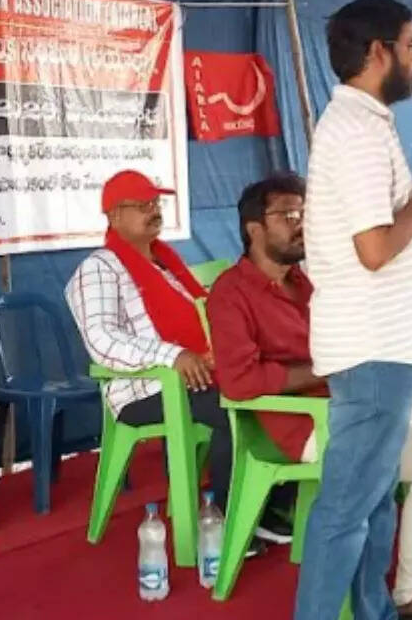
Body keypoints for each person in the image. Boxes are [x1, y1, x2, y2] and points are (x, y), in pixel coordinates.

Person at [211, 175, 412, 620]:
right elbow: (239, 382)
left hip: (373, 391)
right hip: (312, 419)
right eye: (289, 215)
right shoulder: (230, 293)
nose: (302, 224)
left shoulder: (312, 278)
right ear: (253, 228)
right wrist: (332, 366)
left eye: (306, 214)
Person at [296, 0, 412, 620]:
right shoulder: (356, 131)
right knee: (347, 508)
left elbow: (390, 233)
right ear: (378, 52)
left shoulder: (368, 123)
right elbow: (372, 251)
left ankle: (375, 611)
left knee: (373, 503)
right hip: (371, 347)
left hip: (388, 342)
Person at [64, 170, 276, 556]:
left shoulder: (165, 261)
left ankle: (266, 507)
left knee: (273, 385)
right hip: (145, 388)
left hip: (195, 375)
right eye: (142, 205)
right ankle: (228, 522)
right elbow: (102, 340)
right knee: (235, 405)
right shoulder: (98, 268)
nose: (153, 211)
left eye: (156, 203)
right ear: (114, 216)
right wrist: (172, 355)